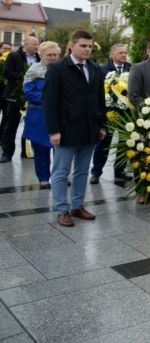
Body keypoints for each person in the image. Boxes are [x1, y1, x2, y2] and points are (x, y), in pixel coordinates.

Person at [43, 30, 107, 227]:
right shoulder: (57, 69)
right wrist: (54, 130)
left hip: (89, 129)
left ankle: (77, 205)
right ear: (71, 46)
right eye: (83, 46)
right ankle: (62, 209)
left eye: (89, 46)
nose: (87, 49)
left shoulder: (95, 69)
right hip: (66, 130)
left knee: (82, 171)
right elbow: (49, 102)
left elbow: (99, 100)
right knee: (61, 172)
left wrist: (102, 124)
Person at [90, 43, 132, 183]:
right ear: (112, 54)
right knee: (103, 144)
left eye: (125, 52)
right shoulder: (102, 70)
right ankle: (96, 172)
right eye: (120, 52)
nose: (124, 55)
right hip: (107, 114)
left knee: (124, 143)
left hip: (126, 114)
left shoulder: (131, 69)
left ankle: (119, 171)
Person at [22, 41, 61, 188]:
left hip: (60, 116)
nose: (52, 57)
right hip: (39, 116)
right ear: (41, 55)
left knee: (62, 150)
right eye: (49, 55)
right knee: (41, 149)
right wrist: (49, 99)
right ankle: (43, 178)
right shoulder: (33, 71)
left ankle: (60, 176)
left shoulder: (64, 70)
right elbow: (29, 93)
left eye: (55, 55)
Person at [0, 36, 40, 163]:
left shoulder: (38, 57)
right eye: (34, 44)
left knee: (31, 125)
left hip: (32, 97)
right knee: (10, 125)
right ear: (26, 44)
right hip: (15, 96)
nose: (36, 47)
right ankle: (7, 153)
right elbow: (6, 72)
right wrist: (23, 77)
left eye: (37, 44)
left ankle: (26, 151)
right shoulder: (14, 56)